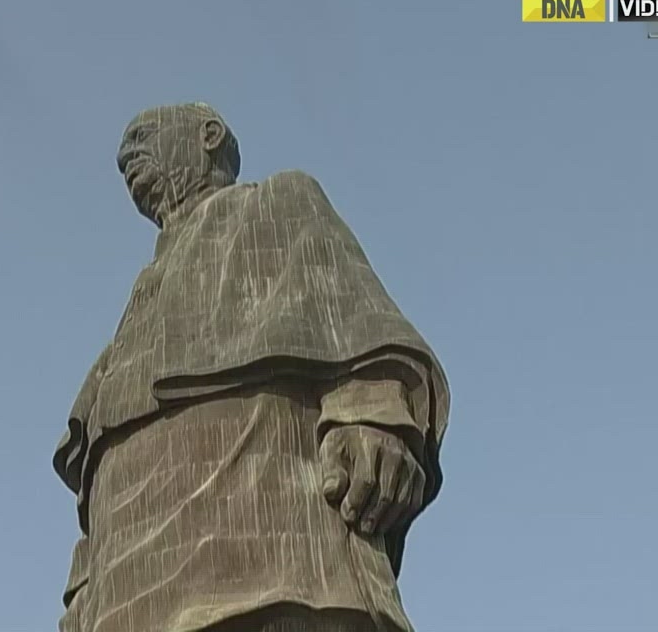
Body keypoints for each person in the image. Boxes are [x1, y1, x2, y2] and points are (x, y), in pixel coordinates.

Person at [54, 103, 450, 632]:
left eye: (144, 137)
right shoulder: (139, 301)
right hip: (129, 589)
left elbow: (353, 314)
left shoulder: (277, 203)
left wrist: (373, 412)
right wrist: (86, 579)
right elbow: (96, 464)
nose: (128, 155)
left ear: (208, 136)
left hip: (266, 541)